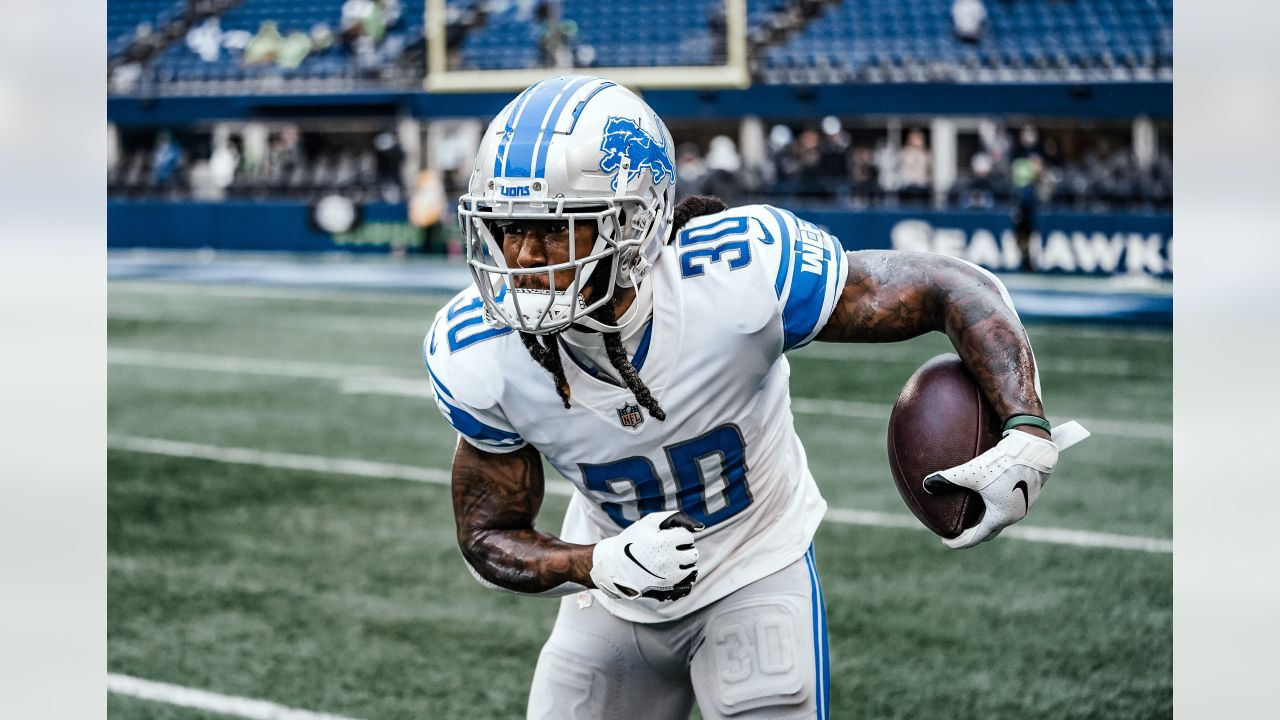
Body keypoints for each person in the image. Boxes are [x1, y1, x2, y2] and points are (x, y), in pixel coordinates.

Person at [423, 76, 1071, 719]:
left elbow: (946, 286)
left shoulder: (738, 278)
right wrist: (595, 563)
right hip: (614, 594)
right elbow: (486, 534)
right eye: (509, 226)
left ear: (635, 221)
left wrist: (1026, 425)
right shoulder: (482, 351)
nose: (523, 257)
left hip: (754, 567)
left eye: (557, 230)